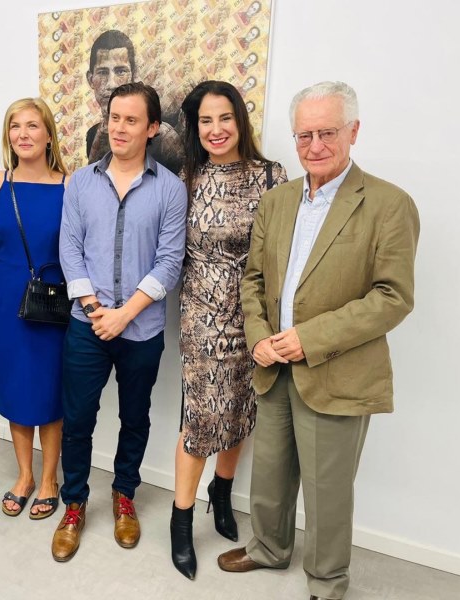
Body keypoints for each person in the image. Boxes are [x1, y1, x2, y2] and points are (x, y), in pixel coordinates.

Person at [218, 81, 419, 600]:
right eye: (304, 135)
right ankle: (269, 547)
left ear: (354, 131)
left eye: (327, 132)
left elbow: (392, 297)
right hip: (272, 365)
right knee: (269, 472)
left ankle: (328, 580)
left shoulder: (389, 204)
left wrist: (307, 339)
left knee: (327, 489)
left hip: (337, 371)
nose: (314, 146)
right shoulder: (278, 200)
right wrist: (260, 339)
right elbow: (253, 280)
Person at [53, 82, 187, 562]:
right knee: (77, 420)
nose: (120, 128)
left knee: (135, 417)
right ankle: (74, 504)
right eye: (115, 118)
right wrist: (96, 312)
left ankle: (124, 494)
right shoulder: (80, 182)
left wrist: (124, 315)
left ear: (152, 128)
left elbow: (169, 262)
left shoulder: (170, 189)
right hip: (86, 327)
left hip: (141, 330)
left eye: (132, 120)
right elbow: (70, 249)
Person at [171, 80, 287, 580]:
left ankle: (221, 491)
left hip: (255, 315)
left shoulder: (272, 176)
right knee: (200, 417)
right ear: (195, 127)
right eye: (205, 120)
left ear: (240, 120)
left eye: (225, 118)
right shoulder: (185, 178)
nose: (216, 129)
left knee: (241, 407)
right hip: (201, 315)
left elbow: (281, 250)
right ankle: (180, 521)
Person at [0, 98, 68, 519]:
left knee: (50, 392)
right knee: (16, 387)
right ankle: (25, 475)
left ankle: (50, 479)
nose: (23, 134)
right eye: (15, 126)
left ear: (48, 134)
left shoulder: (71, 184)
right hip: (6, 301)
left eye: (33, 125)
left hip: (53, 301)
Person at [85, 29, 184, 174]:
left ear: (133, 75)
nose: (112, 83)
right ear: (90, 79)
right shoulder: (93, 135)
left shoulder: (163, 137)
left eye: (120, 71)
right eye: (103, 72)